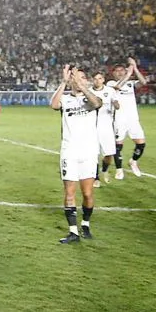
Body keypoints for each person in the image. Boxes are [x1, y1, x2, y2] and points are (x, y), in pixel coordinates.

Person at [50, 65, 102, 243]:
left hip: (88, 151)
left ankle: (85, 224)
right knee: (69, 193)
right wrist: (64, 82)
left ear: (86, 80)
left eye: (81, 77)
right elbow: (53, 105)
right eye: (74, 78)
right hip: (69, 151)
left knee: (87, 193)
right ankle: (73, 231)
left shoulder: (93, 98)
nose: (77, 81)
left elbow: (96, 104)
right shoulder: (66, 99)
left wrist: (83, 86)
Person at [111, 57, 148, 179]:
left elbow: (143, 82)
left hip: (133, 119)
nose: (120, 72)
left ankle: (133, 161)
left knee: (141, 144)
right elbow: (117, 88)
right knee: (118, 146)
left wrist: (135, 68)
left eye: (122, 70)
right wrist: (128, 74)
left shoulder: (130, 84)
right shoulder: (110, 84)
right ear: (113, 73)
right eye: (117, 70)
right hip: (119, 120)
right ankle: (119, 169)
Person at [91, 70, 119, 187]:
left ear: (103, 80)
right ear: (93, 80)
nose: (97, 81)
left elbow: (116, 103)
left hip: (107, 126)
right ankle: (95, 177)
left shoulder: (110, 91)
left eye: (100, 78)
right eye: (95, 79)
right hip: (92, 126)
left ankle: (104, 170)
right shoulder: (89, 92)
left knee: (109, 154)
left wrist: (116, 104)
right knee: (93, 154)